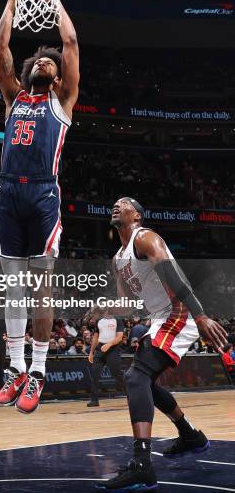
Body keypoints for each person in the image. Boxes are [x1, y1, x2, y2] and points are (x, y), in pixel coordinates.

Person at [96, 197, 227, 491]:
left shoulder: (145, 238)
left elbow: (173, 274)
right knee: (145, 384)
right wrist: (101, 308)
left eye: (125, 203)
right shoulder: (118, 259)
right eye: (113, 203)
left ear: (138, 216)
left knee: (135, 377)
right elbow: (126, 304)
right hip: (159, 318)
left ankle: (142, 465)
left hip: (178, 312)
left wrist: (201, 315)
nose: (116, 205)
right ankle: (190, 434)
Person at [0, 0, 79, 413]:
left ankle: (39, 372)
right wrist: (12, 0)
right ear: (28, 73)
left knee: (41, 288)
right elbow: (1, 46)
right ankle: (15, 369)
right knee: (13, 289)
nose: (45, 60)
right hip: (8, 192)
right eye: (38, 60)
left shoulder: (62, 101)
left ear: (59, 77)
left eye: (51, 62)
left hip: (43, 193)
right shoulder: (13, 98)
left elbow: (70, 41)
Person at [87, 311, 124, 408]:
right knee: (94, 374)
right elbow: (95, 338)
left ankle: (131, 395)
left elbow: (119, 337)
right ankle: (94, 400)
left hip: (113, 349)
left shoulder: (118, 320)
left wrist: (109, 344)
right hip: (100, 349)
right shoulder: (99, 320)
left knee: (117, 373)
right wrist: (91, 352)